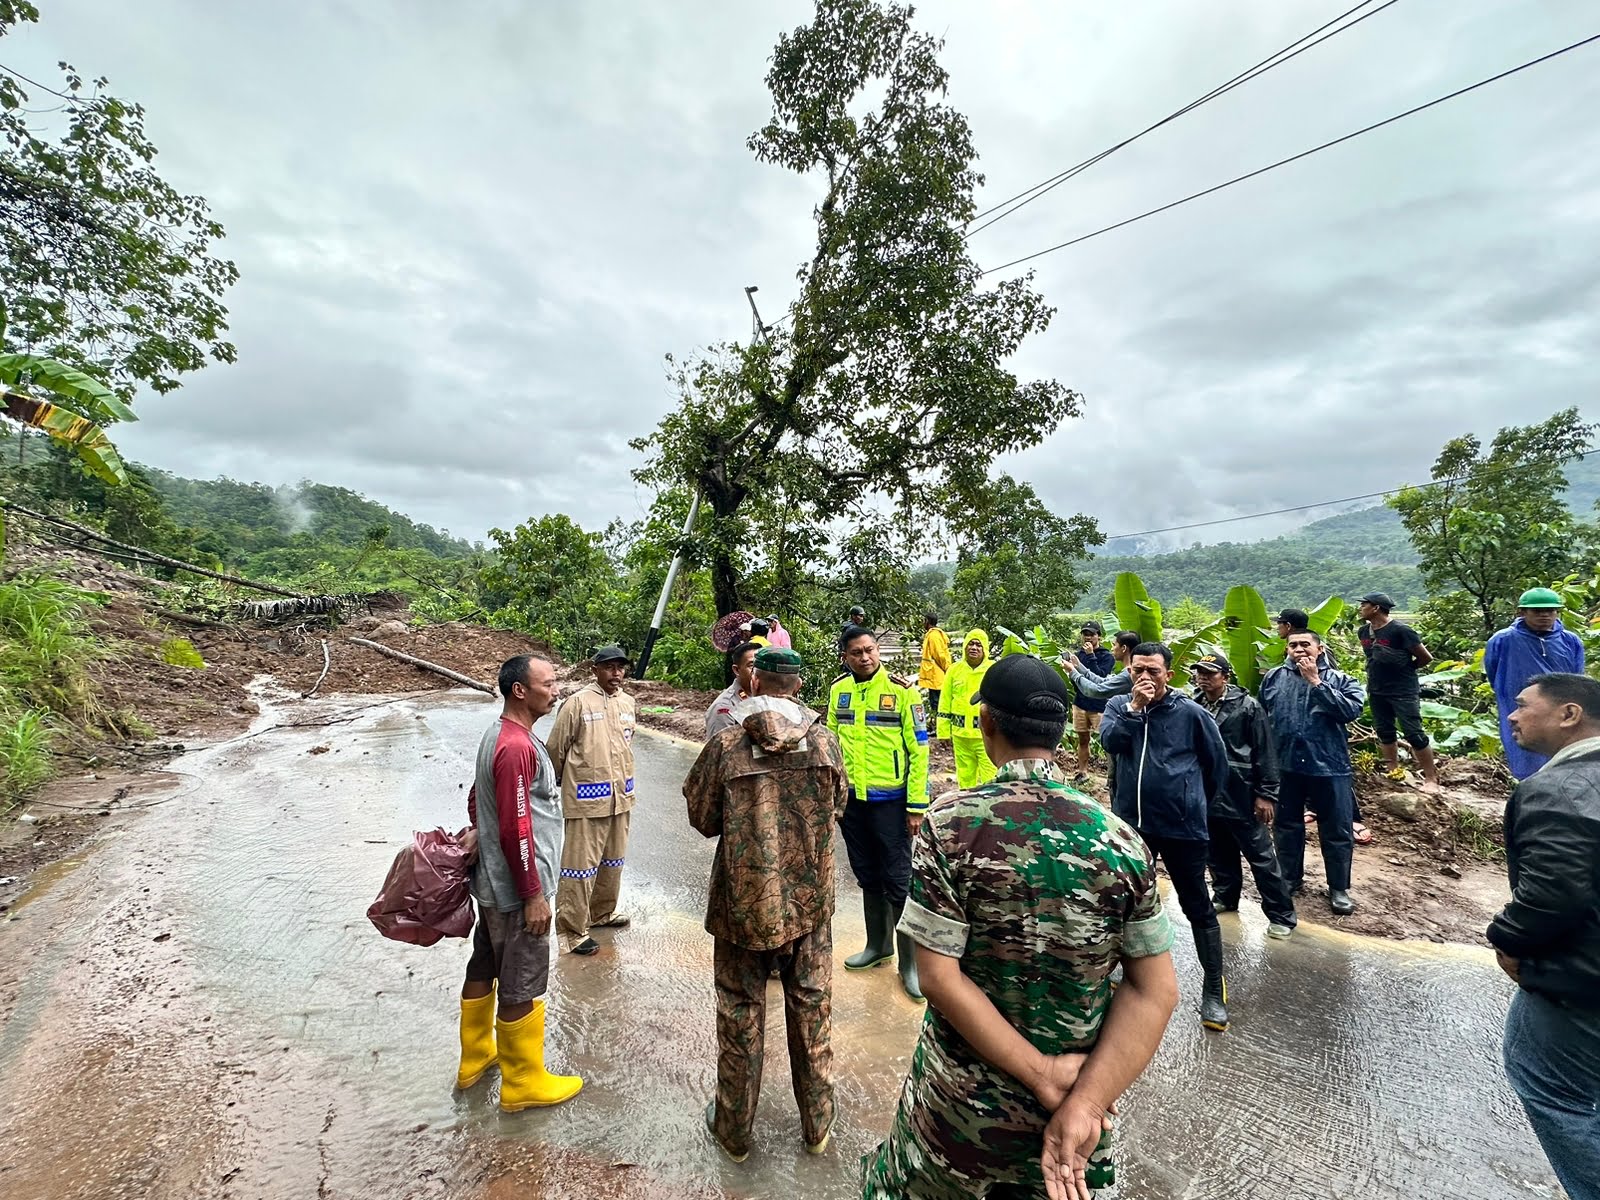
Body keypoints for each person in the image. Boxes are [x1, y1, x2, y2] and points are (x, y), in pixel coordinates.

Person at [863, 654, 1179, 1198]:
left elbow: (938, 978)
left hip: (959, 1114)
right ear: (1058, 733)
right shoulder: (1123, 841)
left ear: (986, 722)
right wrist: (1085, 1100)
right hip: (1074, 1119)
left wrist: (1037, 1073)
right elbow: (1156, 991)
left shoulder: (951, 825)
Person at [685, 647, 850, 1163]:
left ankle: (734, 1132)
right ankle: (817, 1125)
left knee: (739, 1011)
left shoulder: (727, 746)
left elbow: (703, 817)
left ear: (754, 682)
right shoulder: (826, 742)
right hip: (810, 901)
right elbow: (839, 805)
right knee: (811, 1005)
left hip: (743, 904)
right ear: (798, 686)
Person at [1489, 672, 1600, 1200]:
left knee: (1554, 1090)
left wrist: (1506, 938)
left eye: (1522, 705)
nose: (1512, 715)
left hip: (1579, 981)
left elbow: (1553, 895)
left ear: (1568, 714)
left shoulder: (1557, 789)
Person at [457, 654, 583, 1110]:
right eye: (548, 683)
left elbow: (479, 795)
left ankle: (475, 1058)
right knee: (520, 983)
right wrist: (533, 895)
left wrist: (477, 825)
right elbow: (517, 827)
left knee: (485, 965)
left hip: (493, 884)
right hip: (514, 891)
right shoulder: (516, 746)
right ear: (520, 691)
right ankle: (523, 1082)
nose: (556, 689)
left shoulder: (502, 734)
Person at [1101, 642, 1233, 1030]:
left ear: (1168, 676)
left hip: (1183, 829)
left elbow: (1217, 768)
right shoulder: (1118, 709)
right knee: (1124, 902)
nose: (1144, 678)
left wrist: (1190, 802)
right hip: (1132, 828)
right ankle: (1116, 974)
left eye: (1152, 672)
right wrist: (1134, 709)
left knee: (1197, 905)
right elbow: (1111, 743)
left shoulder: (1192, 714)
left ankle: (1213, 987)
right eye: (1137, 670)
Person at [827, 625, 930, 1001]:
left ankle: (910, 964)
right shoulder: (838, 690)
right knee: (867, 875)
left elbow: (920, 750)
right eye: (857, 652)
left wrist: (916, 805)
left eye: (870, 650)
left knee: (898, 879)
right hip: (853, 803)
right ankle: (878, 945)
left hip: (893, 804)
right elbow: (831, 748)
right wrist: (834, 798)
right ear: (846, 657)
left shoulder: (904, 693)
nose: (865, 657)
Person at [1191, 652, 1296, 940]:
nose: (1203, 677)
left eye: (1210, 673)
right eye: (1200, 672)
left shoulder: (1248, 707)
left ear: (1225, 677)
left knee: (1260, 857)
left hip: (1242, 792)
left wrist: (1266, 794)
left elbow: (1266, 752)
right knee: (1218, 852)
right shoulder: (1194, 704)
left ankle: (1281, 915)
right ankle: (1226, 897)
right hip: (1207, 792)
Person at [1261, 630, 1366, 916]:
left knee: (1336, 829)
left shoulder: (1341, 680)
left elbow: (1349, 712)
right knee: (1286, 827)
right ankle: (1290, 879)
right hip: (1285, 766)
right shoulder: (1273, 678)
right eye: (1293, 645)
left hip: (1330, 766)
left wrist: (1315, 682)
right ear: (1286, 650)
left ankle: (1338, 887)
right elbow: (1263, 718)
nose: (1299, 649)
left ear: (1319, 650)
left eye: (1305, 644)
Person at [546, 644, 637, 955]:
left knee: (613, 862)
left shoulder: (628, 703)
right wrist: (555, 784)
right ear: (595, 670)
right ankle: (571, 931)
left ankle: (601, 913)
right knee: (579, 868)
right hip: (586, 801)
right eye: (610, 667)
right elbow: (556, 749)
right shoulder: (577, 704)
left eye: (621, 667)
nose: (616, 673)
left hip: (621, 798)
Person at [1485, 588, 1586, 780]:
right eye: (1537, 611)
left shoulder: (1570, 641)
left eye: (1550, 610)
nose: (1545, 615)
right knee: (1524, 748)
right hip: (1519, 705)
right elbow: (1493, 673)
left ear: (1557, 612)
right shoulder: (1503, 640)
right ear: (1523, 612)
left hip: (1560, 707)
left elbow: (1577, 677)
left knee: (1561, 750)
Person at [1357, 592, 1441, 792]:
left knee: (1414, 733)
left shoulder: (1401, 630)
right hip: (1377, 689)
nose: (1360, 608)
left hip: (1403, 689)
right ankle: (1393, 771)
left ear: (1376, 608)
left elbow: (1425, 657)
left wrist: (1407, 668)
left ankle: (1431, 779)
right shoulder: (1363, 632)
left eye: (1364, 605)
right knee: (1385, 732)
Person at [937, 628, 998, 789]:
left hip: (986, 735)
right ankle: (966, 809)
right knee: (965, 778)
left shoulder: (993, 670)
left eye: (978, 644)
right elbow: (945, 701)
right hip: (960, 736)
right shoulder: (954, 670)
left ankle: (989, 809)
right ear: (965, 646)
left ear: (985, 648)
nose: (974, 648)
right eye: (971, 643)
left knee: (990, 777)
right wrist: (943, 732)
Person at [1069, 621, 1117, 783]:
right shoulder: (1078, 655)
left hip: (1100, 705)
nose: (1088, 636)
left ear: (1099, 636)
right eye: (1085, 633)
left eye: (1092, 633)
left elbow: (1101, 679)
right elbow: (1075, 679)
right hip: (1081, 703)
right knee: (1083, 739)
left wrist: (1091, 656)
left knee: (1108, 741)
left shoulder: (1106, 656)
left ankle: (1113, 777)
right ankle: (1082, 772)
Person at [1061, 629, 1140, 703]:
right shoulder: (1130, 671)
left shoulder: (1129, 674)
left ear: (1124, 648)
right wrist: (1078, 666)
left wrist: (1072, 671)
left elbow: (1097, 691)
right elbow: (1103, 682)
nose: (1112, 649)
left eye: (1114, 645)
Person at [706, 641, 760, 739]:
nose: (757, 671)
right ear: (737, 670)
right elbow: (719, 750)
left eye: (761, 666)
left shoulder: (764, 698)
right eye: (751, 666)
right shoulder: (725, 706)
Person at [918, 612, 952, 721]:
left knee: (937, 703)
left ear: (927, 621)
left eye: (924, 620)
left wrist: (948, 669)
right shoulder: (932, 634)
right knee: (935, 702)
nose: (923, 623)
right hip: (934, 675)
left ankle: (940, 727)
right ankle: (938, 726)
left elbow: (939, 655)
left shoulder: (934, 636)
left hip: (936, 675)